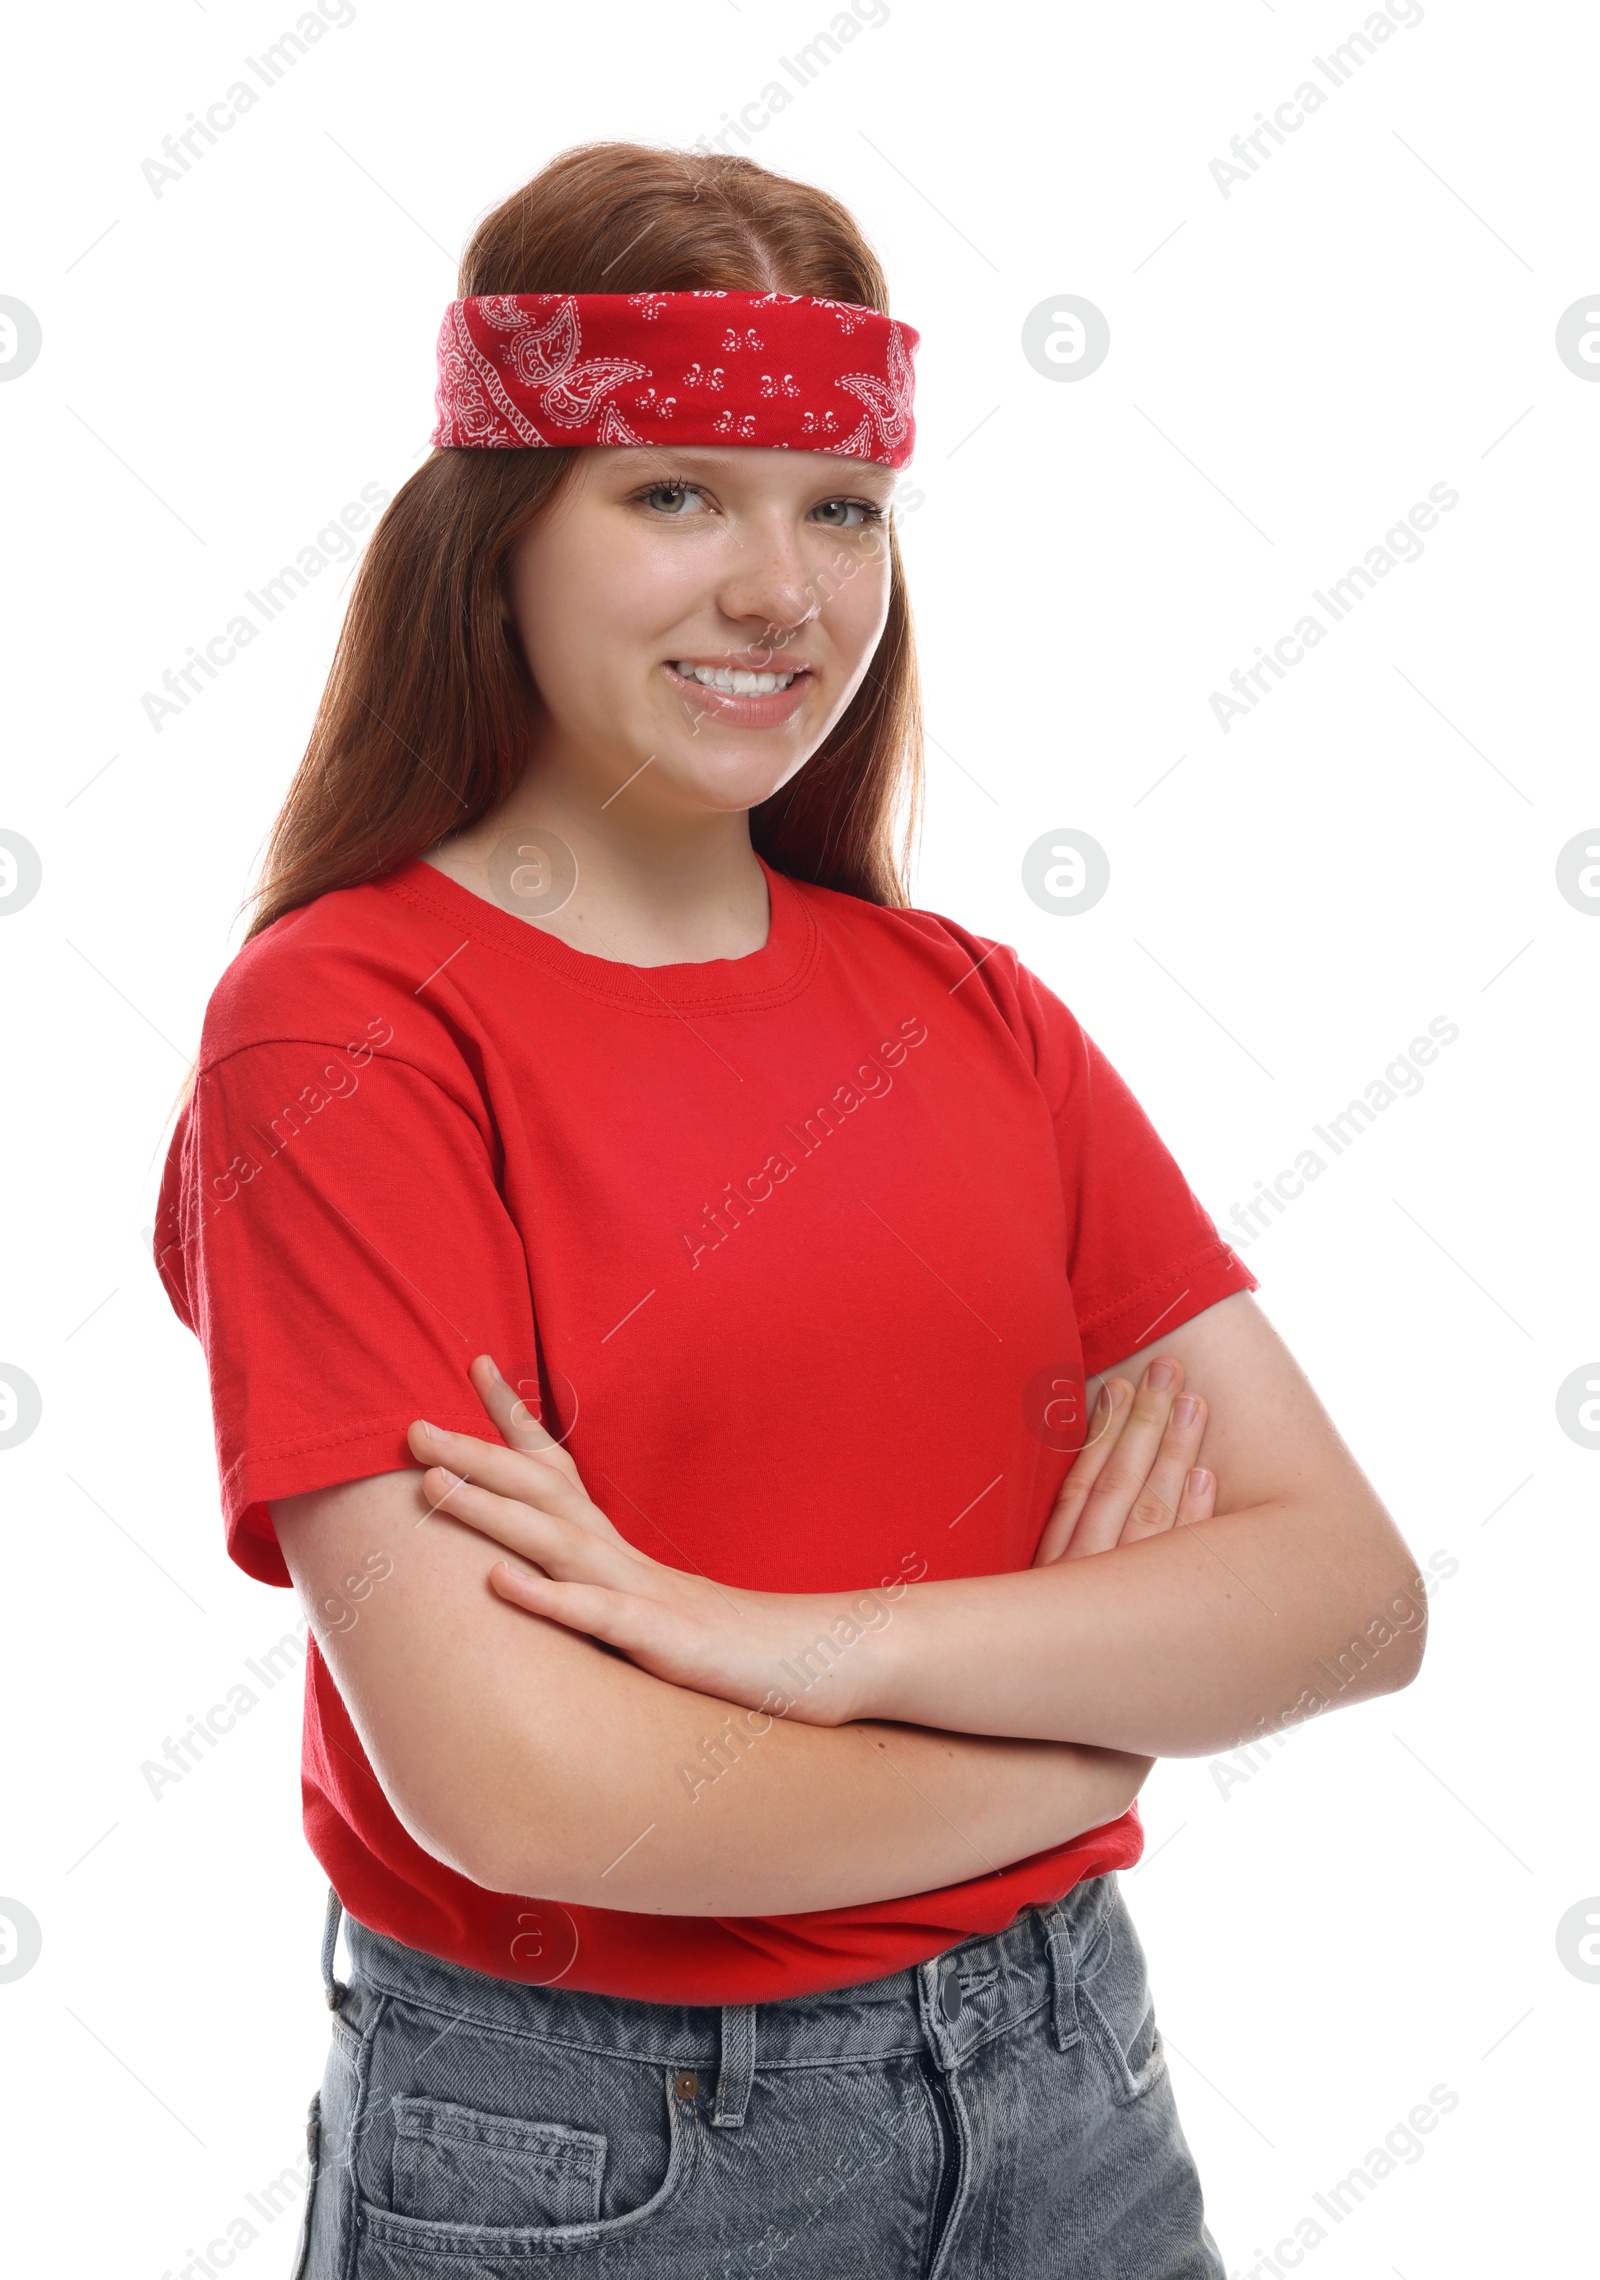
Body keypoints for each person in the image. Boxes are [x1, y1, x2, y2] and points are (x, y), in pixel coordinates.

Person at [154, 140, 1427, 2279]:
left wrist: (800, 1651)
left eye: (838, 506)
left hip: (1072, 2082)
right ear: (499, 537)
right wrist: (1091, 1737)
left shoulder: (970, 1015)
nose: (785, 591)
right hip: (596, 2148)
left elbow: (1344, 1600)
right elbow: (529, 1789)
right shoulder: (346, 1037)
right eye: (676, 494)